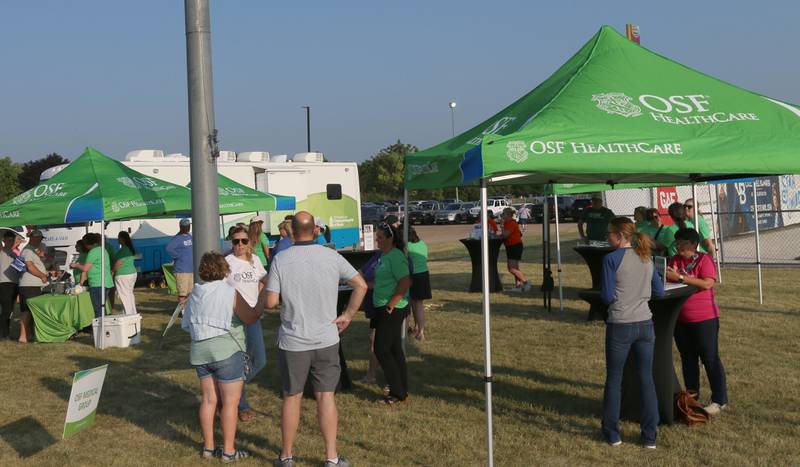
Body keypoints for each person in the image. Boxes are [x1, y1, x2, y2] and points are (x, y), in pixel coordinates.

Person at [266, 211, 367, 467]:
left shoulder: (281, 259)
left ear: (291, 231)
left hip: (293, 340)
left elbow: (270, 302)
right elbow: (361, 285)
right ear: (315, 231)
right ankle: (331, 457)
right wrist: (347, 315)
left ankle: (286, 456)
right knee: (326, 397)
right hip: (326, 338)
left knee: (292, 397)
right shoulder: (331, 256)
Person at [182, 251, 268, 463]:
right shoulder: (230, 292)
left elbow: (186, 324)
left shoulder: (195, 293)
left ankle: (208, 448)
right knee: (230, 402)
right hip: (227, 350)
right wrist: (263, 297)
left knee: (209, 400)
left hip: (200, 351)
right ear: (225, 270)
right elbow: (251, 317)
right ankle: (229, 451)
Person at [600, 217, 664, 449]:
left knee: (615, 379)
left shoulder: (610, 259)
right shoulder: (646, 256)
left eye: (609, 233)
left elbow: (606, 296)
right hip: (645, 324)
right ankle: (649, 437)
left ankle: (612, 433)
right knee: (646, 378)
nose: (607, 236)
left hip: (620, 324)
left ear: (619, 235)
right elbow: (658, 291)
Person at [665, 228, 728, 416]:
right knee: (688, 358)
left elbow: (708, 283)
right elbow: (668, 280)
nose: (677, 247)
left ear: (693, 244)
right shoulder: (674, 260)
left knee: (710, 358)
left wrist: (682, 278)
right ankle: (692, 396)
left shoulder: (703, 259)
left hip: (704, 318)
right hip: (680, 318)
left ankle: (719, 400)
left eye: (681, 243)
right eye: (675, 243)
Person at [224, 226, 268, 422]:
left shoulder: (255, 260)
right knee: (239, 361)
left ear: (250, 242)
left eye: (243, 241)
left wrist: (260, 300)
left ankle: (230, 389)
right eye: (236, 241)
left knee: (259, 360)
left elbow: (265, 280)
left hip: (253, 316)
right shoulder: (227, 262)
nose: (240, 245)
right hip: (235, 319)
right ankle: (241, 406)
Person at [371, 222, 412, 405]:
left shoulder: (395, 256)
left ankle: (396, 392)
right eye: (376, 237)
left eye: (380, 237)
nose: (377, 241)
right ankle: (401, 390)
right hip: (382, 306)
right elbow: (382, 282)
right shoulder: (384, 255)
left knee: (381, 349)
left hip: (392, 308)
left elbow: (405, 282)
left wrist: (391, 305)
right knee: (394, 350)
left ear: (390, 238)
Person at [74, 233, 113, 319]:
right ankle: (105, 328)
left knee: (98, 309)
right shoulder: (102, 250)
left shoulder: (93, 252)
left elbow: (85, 268)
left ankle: (100, 330)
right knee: (102, 308)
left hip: (97, 283)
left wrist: (76, 265)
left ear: (87, 243)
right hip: (105, 282)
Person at [357, 250, 381, 385]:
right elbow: (361, 271)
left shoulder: (393, 258)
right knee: (373, 340)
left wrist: (363, 284)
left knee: (378, 343)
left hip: (387, 308)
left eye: (380, 238)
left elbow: (383, 284)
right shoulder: (378, 256)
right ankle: (371, 375)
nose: (377, 241)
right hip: (375, 306)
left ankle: (372, 376)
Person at [19, 237, 49, 343]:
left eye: (41, 239)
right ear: (33, 238)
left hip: (32, 285)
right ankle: (23, 336)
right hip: (29, 286)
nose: (40, 241)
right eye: (38, 239)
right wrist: (42, 276)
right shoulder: (27, 250)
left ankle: (30, 335)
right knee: (26, 311)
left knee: (31, 311)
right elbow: (30, 267)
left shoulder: (32, 250)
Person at [407, 228, 431, 340]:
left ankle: (417, 330)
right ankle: (418, 329)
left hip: (413, 276)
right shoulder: (422, 243)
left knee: (413, 304)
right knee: (417, 304)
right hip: (424, 274)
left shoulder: (407, 247)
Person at [501, 208, 530, 292]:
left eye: (503, 214)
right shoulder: (507, 223)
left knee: (511, 268)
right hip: (511, 246)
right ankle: (518, 286)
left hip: (515, 246)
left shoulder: (511, 223)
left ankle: (525, 282)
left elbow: (505, 235)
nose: (502, 216)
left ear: (508, 215)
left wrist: (502, 226)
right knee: (515, 267)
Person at [166, 219, 194, 303]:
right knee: (183, 293)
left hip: (191, 269)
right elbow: (168, 248)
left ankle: (188, 311)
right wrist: (178, 256)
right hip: (181, 270)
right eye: (186, 226)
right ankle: (183, 311)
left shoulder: (189, 236)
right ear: (181, 227)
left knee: (191, 292)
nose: (188, 227)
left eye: (189, 225)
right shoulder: (177, 238)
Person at [0, 231, 22, 339]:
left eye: (12, 240)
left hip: (14, 284)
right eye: (8, 240)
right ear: (3, 240)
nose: (10, 242)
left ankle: (5, 333)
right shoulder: (1, 251)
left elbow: (20, 269)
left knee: (10, 311)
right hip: (4, 283)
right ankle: (4, 334)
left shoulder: (15, 253)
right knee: (6, 310)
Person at [112, 232, 137, 315]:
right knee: (129, 294)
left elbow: (119, 263)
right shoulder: (128, 249)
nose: (117, 239)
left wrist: (112, 271)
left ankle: (128, 314)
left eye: (118, 237)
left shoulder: (124, 250)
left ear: (122, 239)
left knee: (124, 295)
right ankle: (132, 313)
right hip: (131, 274)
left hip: (123, 275)